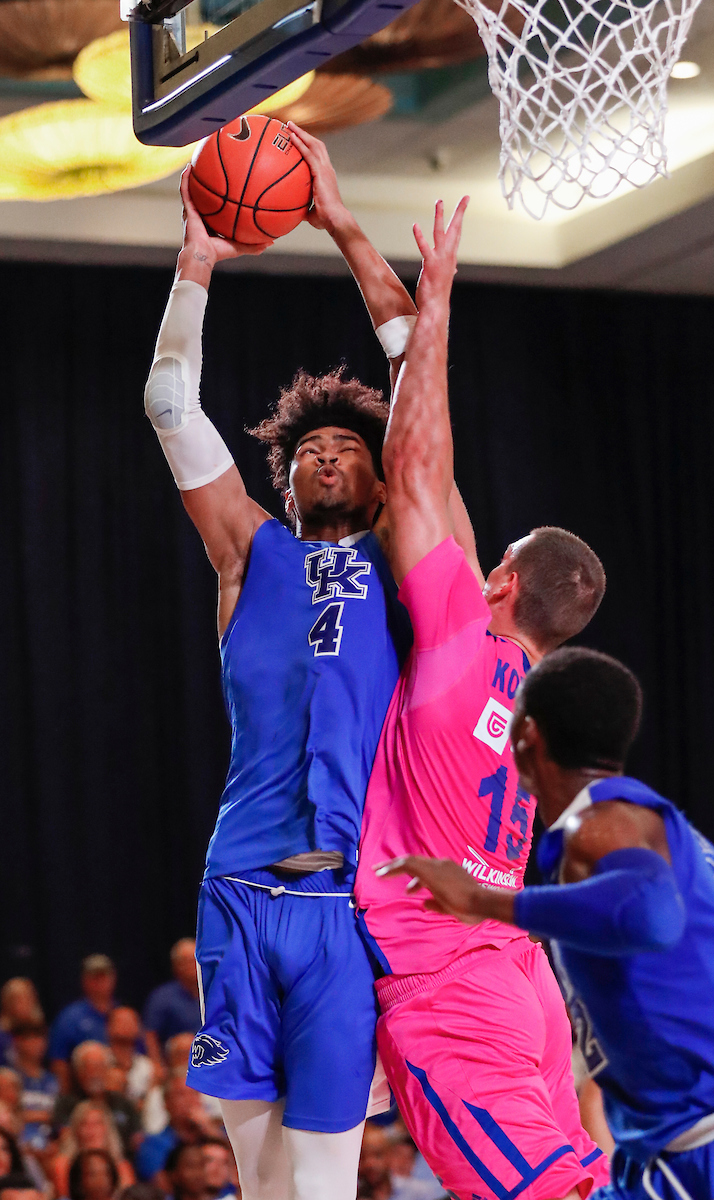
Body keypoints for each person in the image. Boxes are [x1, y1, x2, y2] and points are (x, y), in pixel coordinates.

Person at [142, 116, 482, 1200]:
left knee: (326, 1186)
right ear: (283, 482)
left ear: (386, 480)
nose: (327, 456)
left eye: (349, 447)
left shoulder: (410, 555)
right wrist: (196, 265)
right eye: (308, 451)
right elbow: (168, 404)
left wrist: (341, 224)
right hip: (237, 890)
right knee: (261, 1184)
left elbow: (417, 385)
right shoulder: (250, 554)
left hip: (350, 904)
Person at [350, 200, 608, 1200]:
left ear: (499, 578)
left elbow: (416, 465)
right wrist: (349, 238)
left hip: (451, 978)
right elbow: (423, 442)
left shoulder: (461, 633)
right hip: (519, 976)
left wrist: (443, 298)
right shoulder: (547, 708)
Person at [380, 646, 714, 1200]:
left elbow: (650, 915)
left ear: (526, 734)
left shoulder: (597, 825)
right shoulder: (678, 843)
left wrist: (482, 899)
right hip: (681, 1151)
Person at [52, 1044, 140, 1156]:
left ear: (108, 1070)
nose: (95, 1074)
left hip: (120, 1160)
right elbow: (63, 1139)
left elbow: (137, 1139)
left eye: (100, 1067)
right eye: (89, 1068)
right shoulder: (65, 1104)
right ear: (79, 1072)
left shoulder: (124, 1104)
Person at [49, 959, 117, 1093]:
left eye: (104, 977)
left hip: (119, 1089)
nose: (100, 983)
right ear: (84, 981)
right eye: (95, 978)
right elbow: (59, 1062)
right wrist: (66, 1095)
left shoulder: (122, 1013)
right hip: (81, 1091)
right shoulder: (70, 1017)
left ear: (113, 979)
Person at [135, 1078, 220, 1185]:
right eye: (181, 1095)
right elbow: (161, 1185)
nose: (190, 1101)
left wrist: (211, 1130)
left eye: (194, 1094)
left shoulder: (215, 1134)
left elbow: (236, 1169)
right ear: (166, 1103)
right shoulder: (153, 1144)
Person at [49, 1101, 135, 1199]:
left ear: (107, 1128)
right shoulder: (63, 1165)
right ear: (76, 1130)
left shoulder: (122, 1168)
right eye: (84, 1124)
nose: (91, 1131)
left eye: (97, 1124)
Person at [141, 945, 200, 1071]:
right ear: (176, 966)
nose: (193, 965)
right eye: (186, 961)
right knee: (185, 1044)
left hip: (211, 1059)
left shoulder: (215, 993)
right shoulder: (163, 997)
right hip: (176, 1064)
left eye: (195, 959)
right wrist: (157, 1065)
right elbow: (150, 1035)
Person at [8, 1022, 59, 1151]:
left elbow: (59, 1118)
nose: (37, 1044)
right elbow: (6, 1115)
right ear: (18, 1042)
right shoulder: (9, 1078)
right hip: (18, 1145)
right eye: (31, 1038)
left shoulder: (52, 1080)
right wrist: (42, 1116)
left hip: (48, 1146)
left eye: (40, 1038)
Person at [107, 1012, 153, 1108]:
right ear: (108, 1027)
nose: (125, 1025)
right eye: (121, 1021)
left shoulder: (147, 1066)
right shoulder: (101, 1060)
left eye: (130, 1022)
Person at [0, 985, 44, 1069]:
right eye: (19, 1000)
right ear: (7, 1003)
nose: (25, 1004)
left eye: (28, 999)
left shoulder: (39, 1029)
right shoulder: (2, 1035)